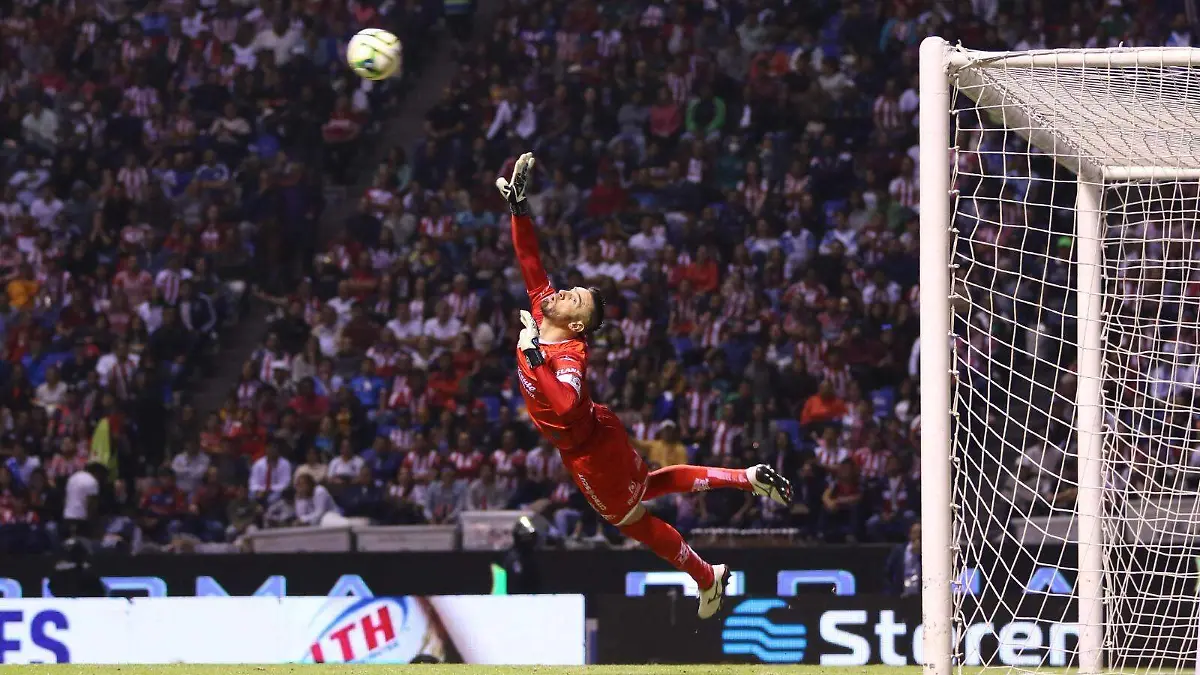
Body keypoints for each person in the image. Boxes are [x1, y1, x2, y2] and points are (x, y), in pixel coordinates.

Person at [496, 154, 793, 618]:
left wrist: (534, 358)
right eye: (569, 288)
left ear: (576, 322)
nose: (561, 291)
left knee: (631, 520)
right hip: (599, 433)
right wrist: (519, 210)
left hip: (587, 449)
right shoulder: (541, 311)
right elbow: (530, 259)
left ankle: (706, 575)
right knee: (644, 489)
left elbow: (569, 405)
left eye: (572, 297)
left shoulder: (568, 354)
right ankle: (744, 480)